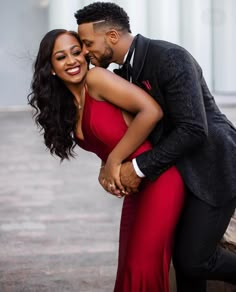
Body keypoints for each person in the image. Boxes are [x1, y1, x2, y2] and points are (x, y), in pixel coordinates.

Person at [74, 2, 236, 292]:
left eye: (87, 43)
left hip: (215, 166)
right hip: (179, 172)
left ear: (111, 36)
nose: (85, 52)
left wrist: (138, 168)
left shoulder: (169, 57)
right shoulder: (124, 73)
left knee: (194, 260)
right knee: (184, 265)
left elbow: (193, 128)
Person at [27, 29, 185, 292]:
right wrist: (106, 167)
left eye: (76, 52)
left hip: (158, 178)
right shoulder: (68, 104)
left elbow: (151, 111)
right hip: (135, 188)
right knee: (127, 268)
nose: (73, 60)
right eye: (61, 57)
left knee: (142, 267)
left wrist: (113, 161)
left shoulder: (97, 79)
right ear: (51, 68)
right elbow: (110, 138)